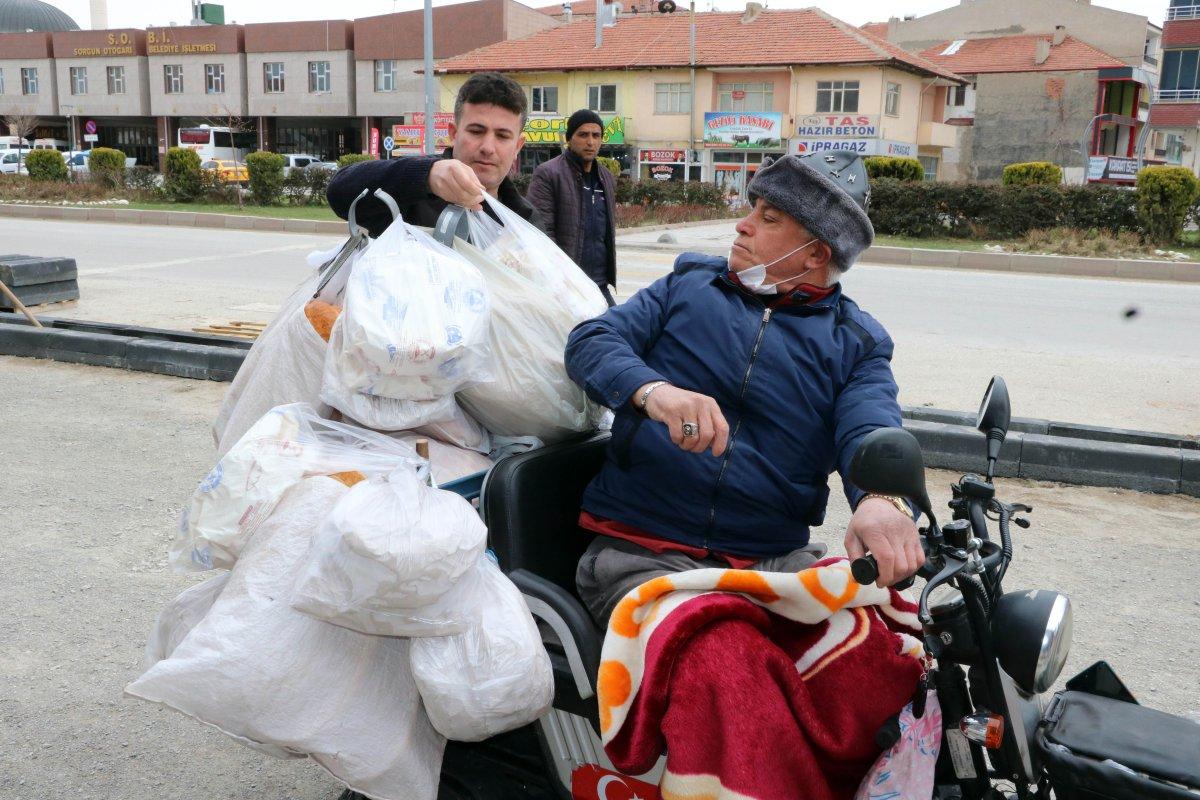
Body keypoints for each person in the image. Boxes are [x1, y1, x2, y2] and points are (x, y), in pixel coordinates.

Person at [565, 151, 923, 627]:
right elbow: (591, 341)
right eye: (752, 209)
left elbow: (872, 430)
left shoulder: (856, 343)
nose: (743, 225)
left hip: (770, 562)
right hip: (645, 553)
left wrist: (884, 501)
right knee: (722, 659)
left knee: (886, 645)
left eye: (768, 218)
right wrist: (653, 391)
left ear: (817, 254)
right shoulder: (687, 287)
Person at [326, 71, 541, 238]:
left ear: (518, 147)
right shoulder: (411, 199)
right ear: (453, 134)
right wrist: (425, 176)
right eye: (476, 131)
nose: (488, 147)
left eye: (503, 136)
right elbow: (339, 192)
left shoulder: (526, 221)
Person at [526, 109, 618, 306]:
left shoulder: (606, 178)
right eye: (583, 135)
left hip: (600, 284)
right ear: (569, 138)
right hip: (567, 285)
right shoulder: (549, 174)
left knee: (616, 332)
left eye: (596, 135)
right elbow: (541, 231)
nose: (590, 142)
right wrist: (558, 279)